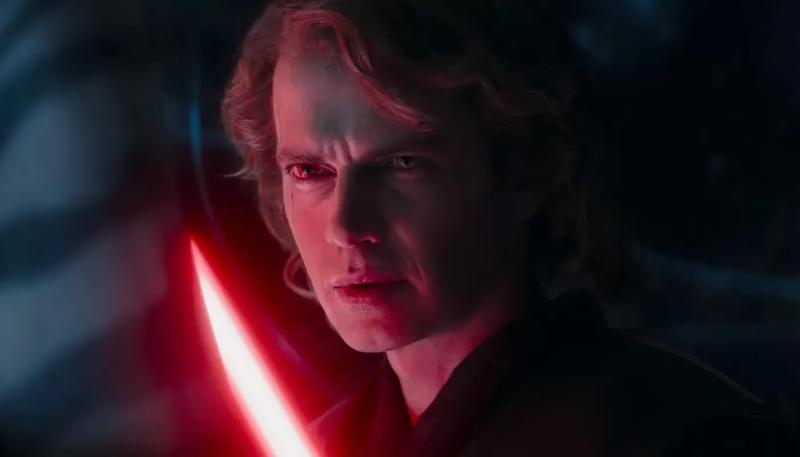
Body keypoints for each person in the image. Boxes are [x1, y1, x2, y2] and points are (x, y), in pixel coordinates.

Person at [221, 1, 797, 455]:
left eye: (402, 163)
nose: (347, 226)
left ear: (523, 171)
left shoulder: (681, 436)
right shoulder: (328, 441)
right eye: (309, 171)